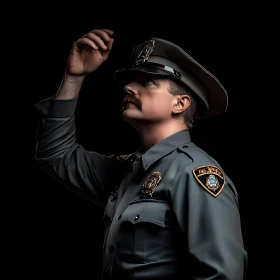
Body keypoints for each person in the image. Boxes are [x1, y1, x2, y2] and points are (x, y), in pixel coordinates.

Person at [34, 28, 248, 280]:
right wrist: (73, 78)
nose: (128, 87)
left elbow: (223, 275)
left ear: (179, 104)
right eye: (131, 80)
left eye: (147, 82)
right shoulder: (128, 172)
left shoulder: (193, 174)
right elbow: (56, 154)